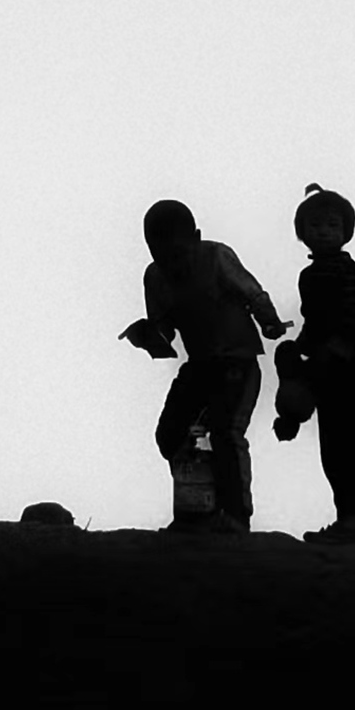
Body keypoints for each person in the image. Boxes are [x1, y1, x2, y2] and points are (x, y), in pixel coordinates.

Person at [120, 199, 290, 533]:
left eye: (178, 253)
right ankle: (196, 510)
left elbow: (252, 292)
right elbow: (164, 326)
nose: (172, 264)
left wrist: (269, 321)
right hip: (199, 366)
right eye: (160, 255)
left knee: (226, 431)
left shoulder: (216, 257)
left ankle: (236, 515)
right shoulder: (155, 276)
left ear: (196, 238)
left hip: (237, 361)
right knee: (171, 434)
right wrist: (149, 336)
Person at [289, 183, 355, 544]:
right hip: (328, 369)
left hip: (353, 368)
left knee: (354, 446)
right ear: (302, 232)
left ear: (345, 231)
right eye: (315, 225)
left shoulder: (347, 271)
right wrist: (299, 351)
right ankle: (346, 519)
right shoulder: (310, 276)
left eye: (332, 225)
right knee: (333, 447)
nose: (324, 232)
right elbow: (314, 323)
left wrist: (336, 349)